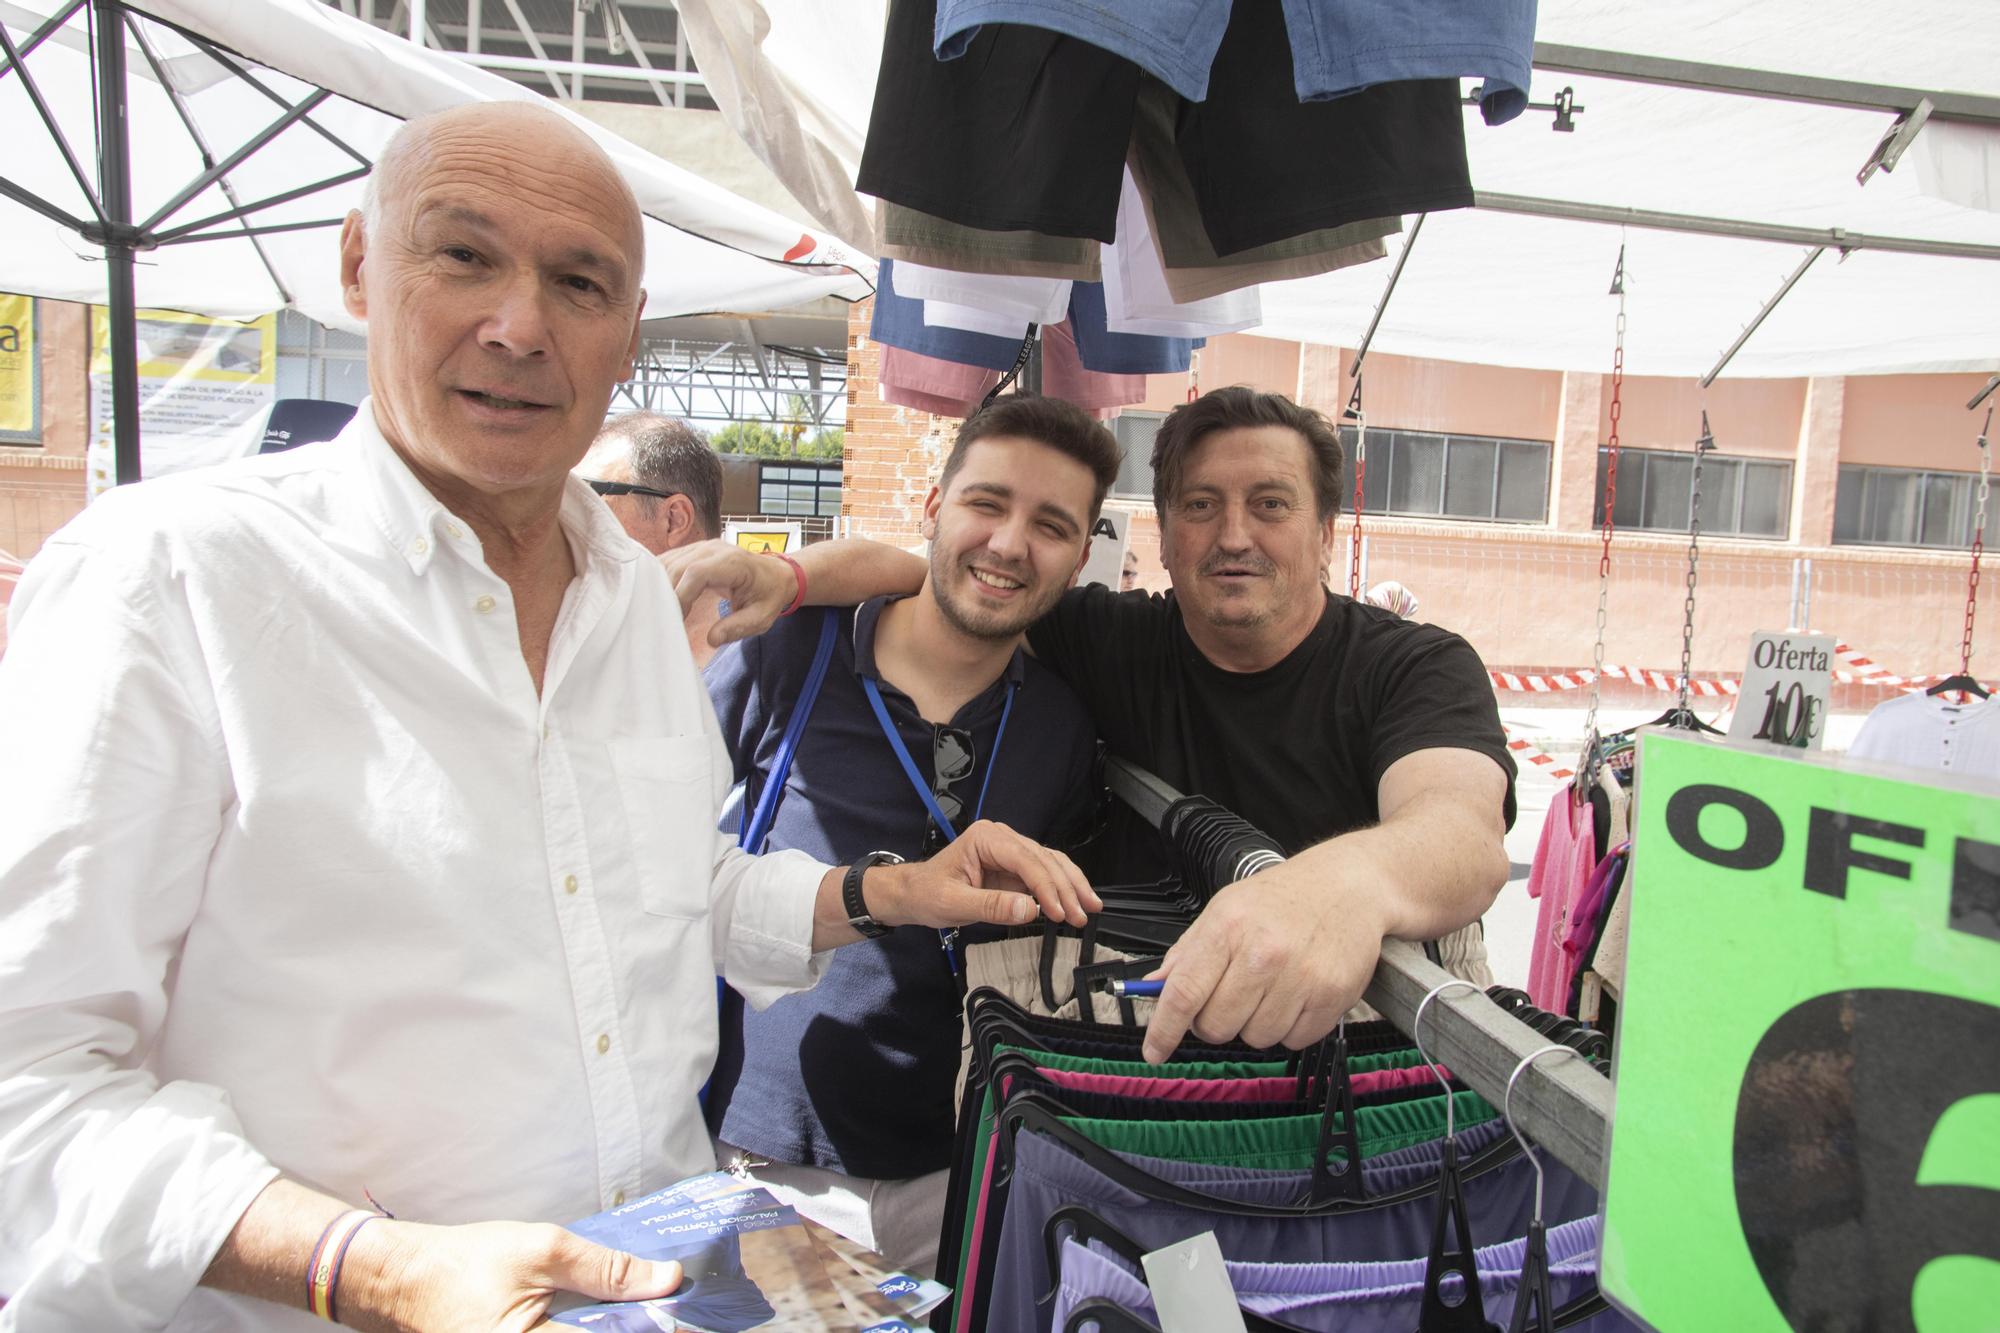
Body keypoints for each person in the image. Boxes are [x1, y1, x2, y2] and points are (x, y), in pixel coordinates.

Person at [0, 102, 1095, 1332]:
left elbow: (676, 894)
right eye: (463, 255)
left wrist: (892, 890)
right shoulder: (171, 577)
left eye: (578, 283)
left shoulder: (635, 602)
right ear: (361, 265)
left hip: (658, 1289)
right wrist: (372, 1268)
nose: (519, 327)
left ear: (627, 334)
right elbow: (27, 1088)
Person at [665, 385, 1514, 1066]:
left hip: (1354, 1080)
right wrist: (790, 577)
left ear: (1325, 532)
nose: (1233, 536)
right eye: (1201, 505)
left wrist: (1331, 888)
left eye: (1271, 505)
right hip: (1126, 1080)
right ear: (1167, 536)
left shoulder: (1413, 666)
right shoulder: (1109, 637)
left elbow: (1460, 832)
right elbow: (952, 581)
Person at [704, 395, 1117, 1275]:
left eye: (1050, 525)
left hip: (964, 1167)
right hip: (767, 1158)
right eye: (986, 503)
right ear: (933, 509)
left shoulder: (1062, 725)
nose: (1009, 544)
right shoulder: (791, 653)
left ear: (1081, 557)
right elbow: (654, 857)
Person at [579, 410, 729, 662]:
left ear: (674, 520)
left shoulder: (770, 661)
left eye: (591, 498)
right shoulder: (581, 641)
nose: (570, 517)